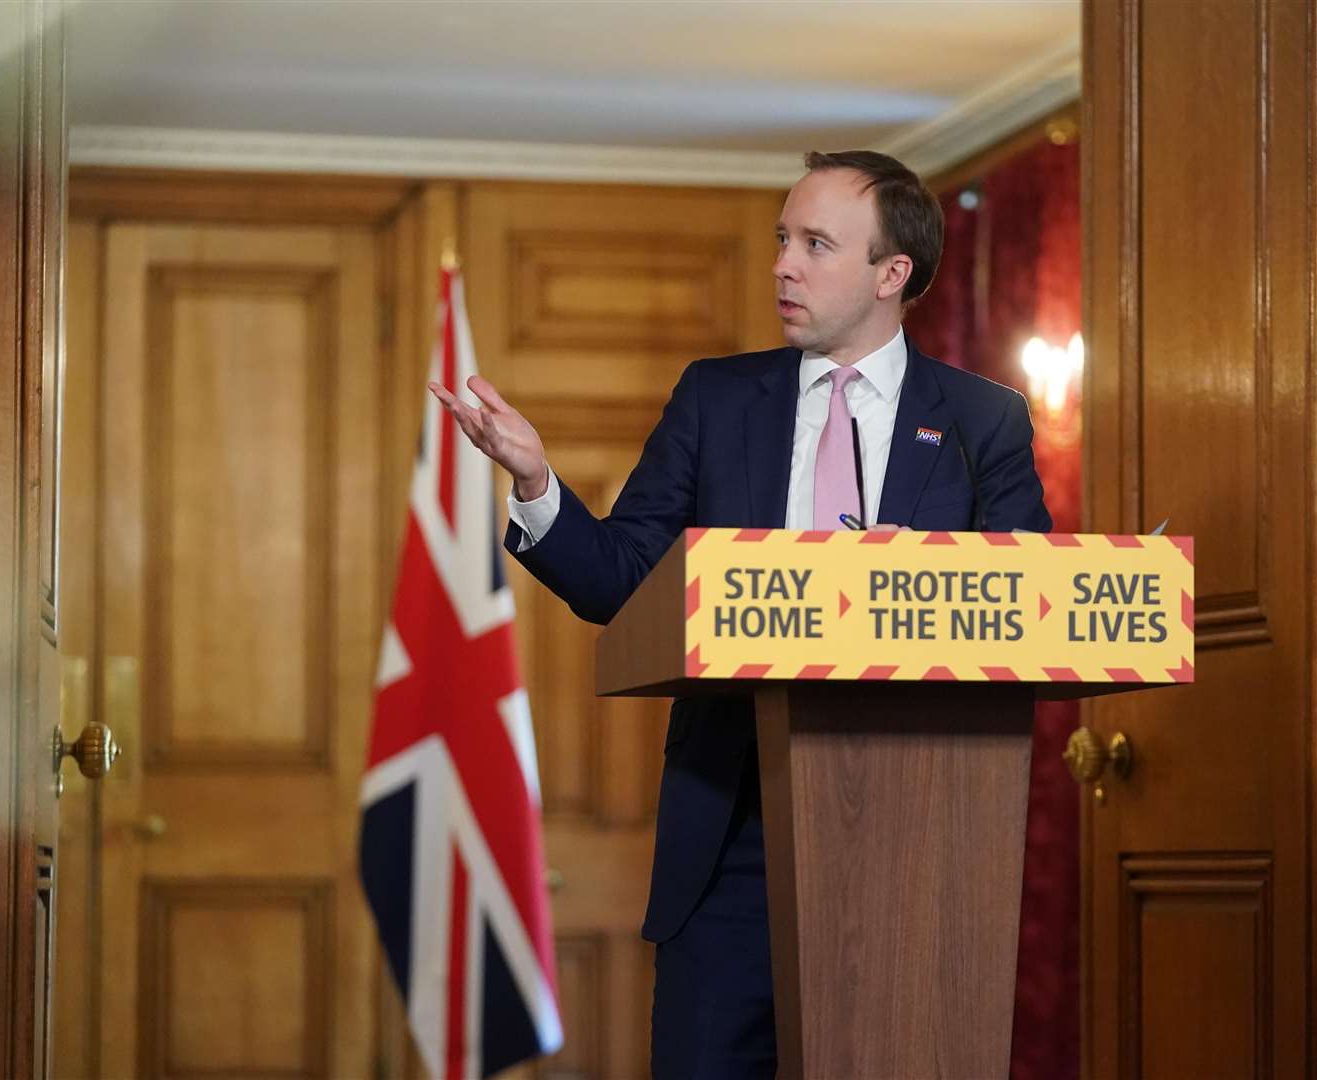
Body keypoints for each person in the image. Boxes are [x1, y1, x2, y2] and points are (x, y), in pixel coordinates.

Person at [431, 150, 1051, 1079]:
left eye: (815, 244)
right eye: (781, 240)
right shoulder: (717, 401)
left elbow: (1028, 609)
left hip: (918, 845)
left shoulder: (982, 420)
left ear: (894, 275)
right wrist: (535, 481)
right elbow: (621, 583)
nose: (783, 266)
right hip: (733, 837)